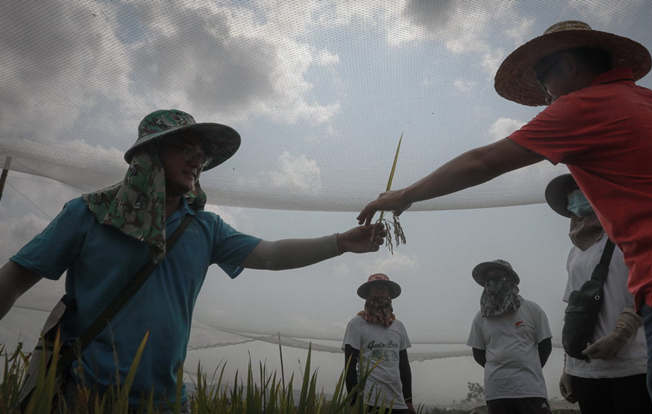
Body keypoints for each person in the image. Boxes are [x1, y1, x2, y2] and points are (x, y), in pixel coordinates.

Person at [357, 20, 652, 414]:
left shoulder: (584, 106)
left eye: (543, 76)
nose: (545, 93)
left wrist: (404, 195)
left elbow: (483, 161)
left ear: (568, 64)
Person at [0, 109, 386, 409]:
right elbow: (15, 278)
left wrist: (339, 242)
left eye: (201, 153)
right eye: (184, 146)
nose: (197, 158)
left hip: (165, 403)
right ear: (150, 154)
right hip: (84, 399)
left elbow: (270, 254)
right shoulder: (89, 215)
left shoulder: (204, 228)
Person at [546, 174, 651, 414]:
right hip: (586, 370)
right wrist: (568, 366)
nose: (574, 197)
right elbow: (573, 309)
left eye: (581, 189)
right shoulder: (575, 253)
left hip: (632, 364)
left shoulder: (628, 236)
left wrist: (622, 332)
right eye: (570, 195)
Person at [466, 260, 552, 414]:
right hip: (497, 392)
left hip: (531, 390)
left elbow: (545, 346)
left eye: (497, 277)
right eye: (488, 280)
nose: (492, 283)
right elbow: (478, 353)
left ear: (510, 280)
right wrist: (500, 368)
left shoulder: (532, 310)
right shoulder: (481, 317)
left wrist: (528, 367)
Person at [342, 273, 415, 413]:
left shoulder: (398, 326)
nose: (380, 291)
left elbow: (404, 366)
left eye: (383, 288)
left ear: (389, 294)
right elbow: (349, 366)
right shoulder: (356, 324)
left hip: (397, 403)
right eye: (375, 288)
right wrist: (354, 401)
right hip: (368, 401)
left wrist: (408, 400)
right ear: (368, 293)